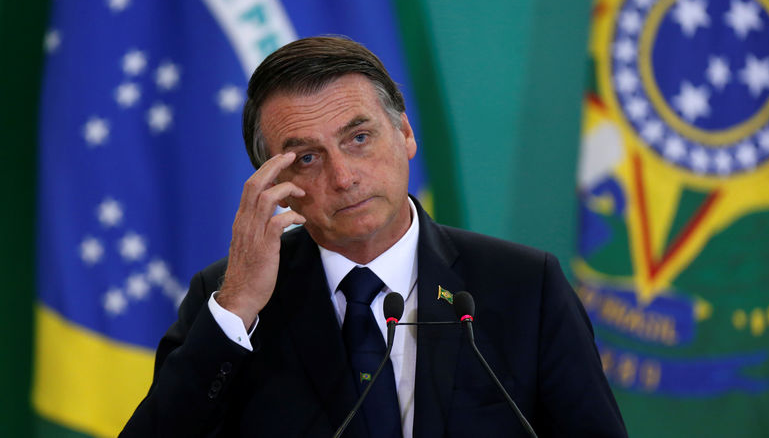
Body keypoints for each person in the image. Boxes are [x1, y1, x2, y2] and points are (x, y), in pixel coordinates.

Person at [121, 36, 627, 437]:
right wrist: (237, 308)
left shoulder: (522, 287)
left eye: (359, 138)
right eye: (307, 158)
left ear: (405, 134)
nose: (344, 177)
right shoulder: (232, 301)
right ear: (277, 185)